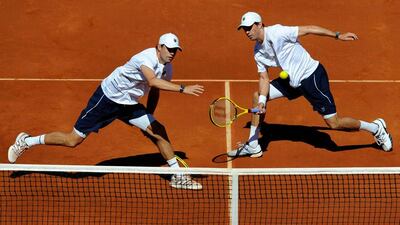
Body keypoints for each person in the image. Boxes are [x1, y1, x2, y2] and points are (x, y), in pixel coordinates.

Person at [8, 33, 204, 190]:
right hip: (107, 99)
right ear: (159, 47)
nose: (172, 53)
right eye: (169, 49)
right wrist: (182, 88)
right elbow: (152, 80)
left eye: (175, 51)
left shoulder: (167, 69)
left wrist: (149, 118)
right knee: (72, 140)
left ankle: (177, 176)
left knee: (158, 130)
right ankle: (26, 141)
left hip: (129, 104)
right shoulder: (145, 58)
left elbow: (155, 90)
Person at [228, 12, 393, 157]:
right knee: (258, 96)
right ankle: (253, 144)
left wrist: (337, 35)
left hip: (312, 77)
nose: (247, 32)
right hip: (292, 81)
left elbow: (308, 29)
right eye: (244, 29)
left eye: (249, 27)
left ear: (259, 24)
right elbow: (263, 78)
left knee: (334, 123)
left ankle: (376, 128)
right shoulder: (258, 52)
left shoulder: (277, 32)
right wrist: (263, 102)